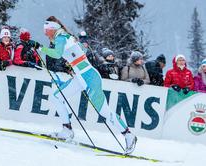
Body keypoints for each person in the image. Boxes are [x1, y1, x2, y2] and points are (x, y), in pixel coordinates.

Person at [36, 16, 137, 154]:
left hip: (89, 78)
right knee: (57, 97)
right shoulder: (65, 36)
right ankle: (67, 130)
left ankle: (128, 135)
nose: (44, 33)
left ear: (52, 29)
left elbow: (57, 54)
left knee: (104, 112)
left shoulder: (61, 38)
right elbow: (79, 54)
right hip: (81, 77)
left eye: (46, 30)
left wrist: (40, 47)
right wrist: (71, 63)